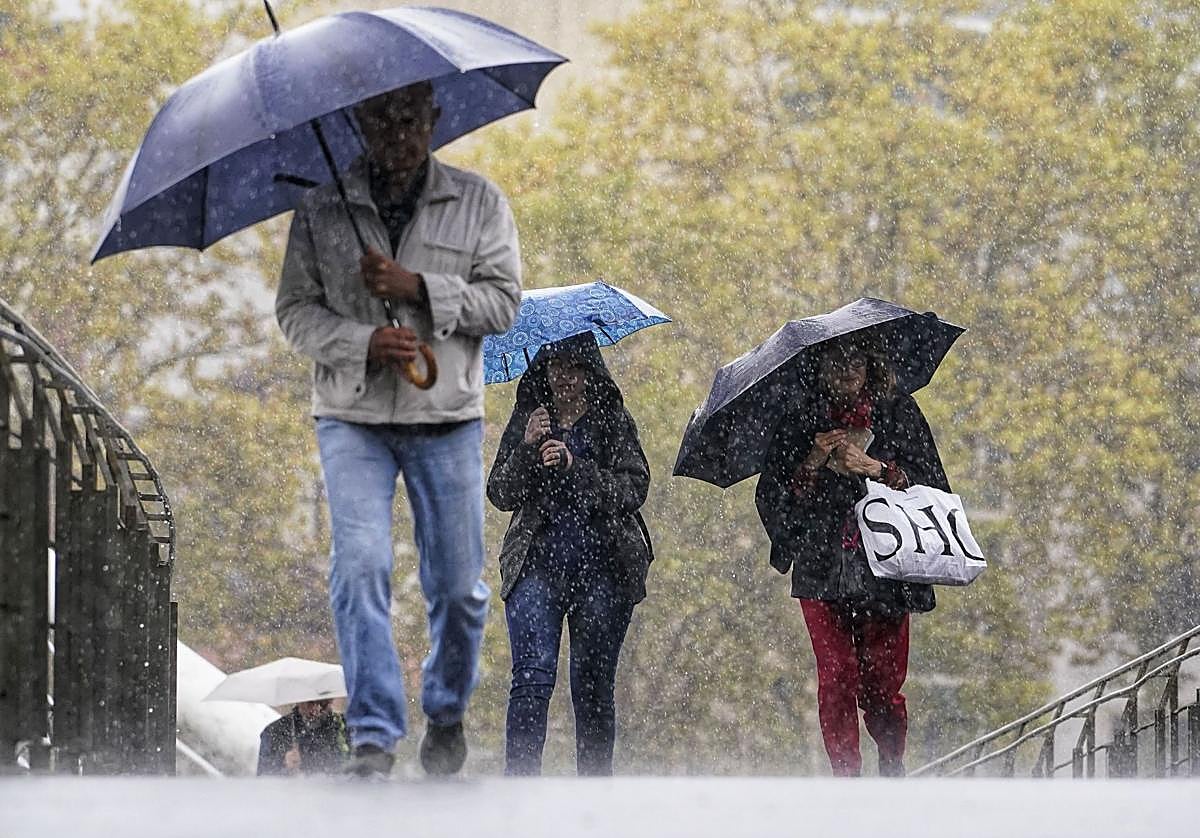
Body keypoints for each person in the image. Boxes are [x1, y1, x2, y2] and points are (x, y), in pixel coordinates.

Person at [275, 81, 522, 778]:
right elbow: (295, 311)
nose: (399, 132)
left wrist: (418, 289)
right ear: (359, 122)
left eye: (412, 119)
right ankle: (375, 734)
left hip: (445, 416)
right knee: (359, 567)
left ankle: (445, 712)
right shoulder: (321, 208)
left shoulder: (479, 202)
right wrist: (360, 341)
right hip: (351, 416)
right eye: (383, 119)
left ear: (434, 120)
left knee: (457, 586)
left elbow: (503, 302)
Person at [755, 336, 950, 777]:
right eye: (836, 362)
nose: (847, 370)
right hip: (823, 572)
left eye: (856, 361)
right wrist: (811, 462)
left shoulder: (899, 414)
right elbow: (773, 500)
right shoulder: (799, 423)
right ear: (820, 371)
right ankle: (846, 778)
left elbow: (934, 488)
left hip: (887, 572)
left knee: (882, 685)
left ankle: (891, 765)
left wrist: (878, 470)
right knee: (837, 677)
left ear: (870, 365)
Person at [486, 333, 652, 776]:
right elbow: (500, 492)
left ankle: (593, 797)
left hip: (603, 570)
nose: (564, 377)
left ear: (589, 372)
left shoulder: (612, 420)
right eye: (556, 366)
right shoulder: (530, 417)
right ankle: (520, 791)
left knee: (593, 687)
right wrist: (526, 450)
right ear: (543, 369)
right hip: (536, 567)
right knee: (531, 678)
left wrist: (576, 467)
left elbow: (634, 487)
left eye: (574, 367)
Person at [257, 699, 349, 776]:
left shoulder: (345, 727)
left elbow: (355, 764)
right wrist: (283, 763)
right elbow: (264, 777)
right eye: (310, 703)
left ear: (331, 701)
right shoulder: (274, 731)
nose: (316, 709)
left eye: (323, 704)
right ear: (299, 701)